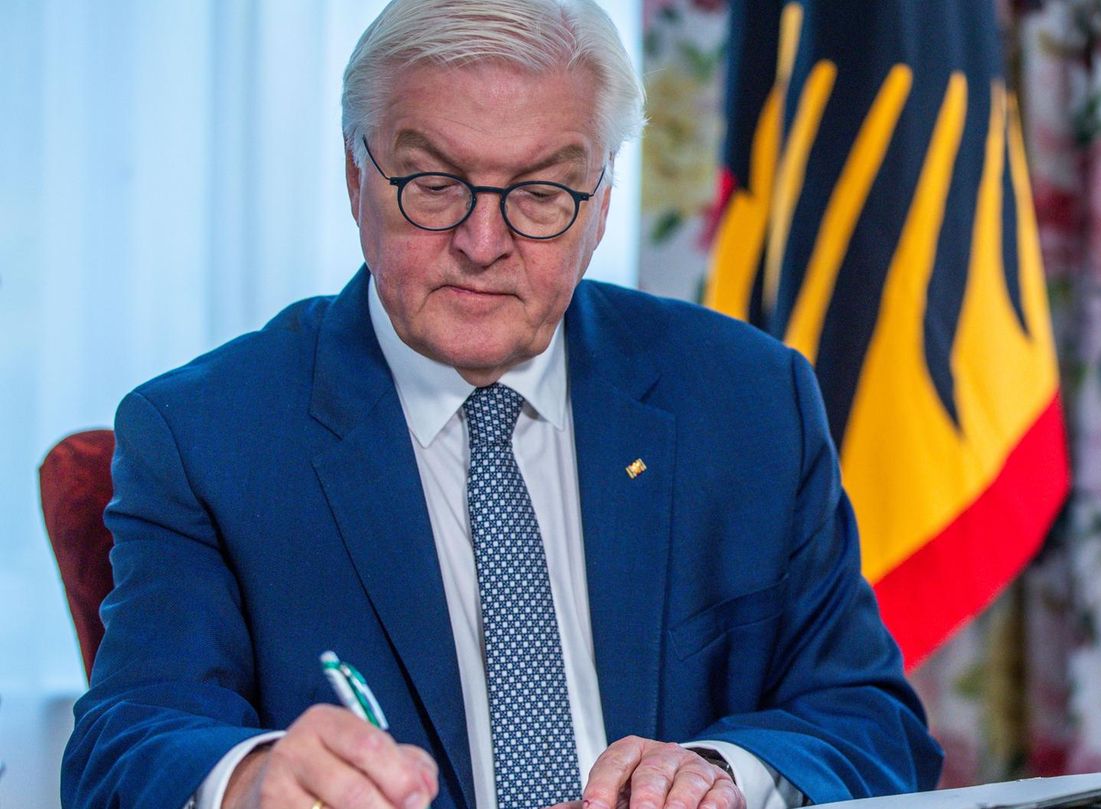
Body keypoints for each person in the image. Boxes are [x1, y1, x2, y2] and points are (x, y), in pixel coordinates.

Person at [60, 1, 942, 808]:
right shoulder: (207, 435)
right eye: (433, 184)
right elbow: (125, 743)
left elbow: (870, 721)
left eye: (542, 193)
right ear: (355, 176)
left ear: (601, 205)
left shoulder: (747, 398)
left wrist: (723, 773)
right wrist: (252, 779)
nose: (483, 243)